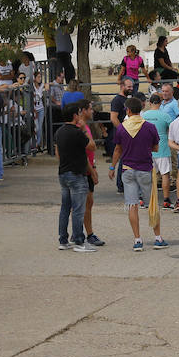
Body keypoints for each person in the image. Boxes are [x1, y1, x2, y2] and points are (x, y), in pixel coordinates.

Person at [109, 96, 167, 250]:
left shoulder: (121, 127)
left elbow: (117, 149)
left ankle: (137, 240)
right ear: (140, 109)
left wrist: (112, 167)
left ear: (128, 110)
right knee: (152, 204)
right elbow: (155, 147)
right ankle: (158, 237)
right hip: (145, 169)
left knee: (132, 204)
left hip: (128, 169)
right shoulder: (149, 127)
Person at [54, 105, 99, 253]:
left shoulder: (59, 131)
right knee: (79, 209)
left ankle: (63, 239)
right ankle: (79, 241)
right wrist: (84, 127)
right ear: (75, 116)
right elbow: (92, 146)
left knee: (65, 208)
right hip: (76, 173)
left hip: (63, 172)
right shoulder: (77, 132)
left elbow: (57, 154)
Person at [141, 94, 175, 210]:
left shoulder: (144, 116)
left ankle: (146, 199)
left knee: (148, 174)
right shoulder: (165, 116)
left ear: (150, 103)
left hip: (146, 149)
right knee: (165, 174)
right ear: (160, 103)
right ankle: (166, 200)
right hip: (162, 148)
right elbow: (172, 128)